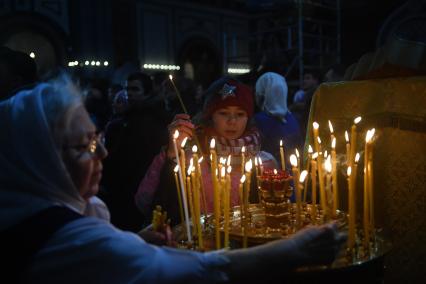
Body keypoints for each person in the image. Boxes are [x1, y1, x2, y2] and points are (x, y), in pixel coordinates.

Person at [0, 74, 346, 283]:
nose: (102, 154)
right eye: (83, 147)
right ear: (37, 159)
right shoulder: (59, 237)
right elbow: (183, 270)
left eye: (98, 139)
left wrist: (137, 241)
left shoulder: (49, 209)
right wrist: (294, 250)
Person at [135, 77, 279, 225]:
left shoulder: (265, 163)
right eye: (223, 113)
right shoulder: (189, 156)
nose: (232, 121)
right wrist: (172, 154)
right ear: (210, 116)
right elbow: (144, 201)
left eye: (240, 114)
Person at [101, 71, 169, 232]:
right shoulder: (129, 117)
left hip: (137, 186)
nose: (129, 93)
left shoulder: (150, 118)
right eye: (127, 89)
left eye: (135, 89)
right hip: (122, 187)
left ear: (146, 92)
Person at [254, 72, 303, 171]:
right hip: (295, 177)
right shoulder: (294, 119)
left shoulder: (258, 121)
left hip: (270, 179)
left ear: (263, 94)